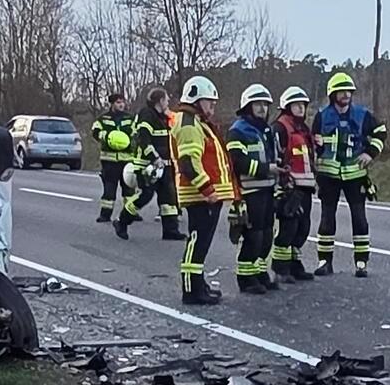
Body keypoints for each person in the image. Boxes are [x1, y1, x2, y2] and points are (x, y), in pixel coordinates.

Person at [313, 71, 385, 277]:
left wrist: (370, 153)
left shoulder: (363, 115)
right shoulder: (321, 115)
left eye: (348, 91)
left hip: (355, 175)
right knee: (327, 218)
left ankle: (361, 263)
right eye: (341, 91)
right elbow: (312, 141)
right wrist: (316, 150)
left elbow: (381, 132)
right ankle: (324, 262)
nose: (345, 94)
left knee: (359, 218)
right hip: (328, 176)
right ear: (332, 94)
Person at [170, 76, 235, 306]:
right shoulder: (189, 124)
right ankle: (191, 290)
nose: (213, 107)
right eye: (210, 102)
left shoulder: (196, 122)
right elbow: (189, 162)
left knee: (203, 241)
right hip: (200, 194)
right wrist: (207, 189)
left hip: (204, 194)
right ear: (197, 100)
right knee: (198, 241)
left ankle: (198, 284)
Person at [226, 84, 280, 295]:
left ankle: (259, 272)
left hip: (267, 189)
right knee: (253, 235)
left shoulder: (266, 130)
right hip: (249, 191)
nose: (262, 108)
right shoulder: (238, 130)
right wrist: (267, 169)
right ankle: (245, 277)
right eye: (257, 104)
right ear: (247, 106)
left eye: (265, 104)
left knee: (267, 234)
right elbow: (237, 161)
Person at [115, 87, 183, 241]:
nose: (168, 102)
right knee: (145, 196)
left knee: (169, 198)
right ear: (159, 101)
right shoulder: (147, 114)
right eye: (166, 99)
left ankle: (171, 230)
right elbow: (144, 139)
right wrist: (155, 157)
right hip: (147, 165)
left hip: (164, 165)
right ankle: (122, 221)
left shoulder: (163, 117)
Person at [269, 86, 318, 284]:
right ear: (287, 107)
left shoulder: (303, 128)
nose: (300, 108)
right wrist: (283, 184)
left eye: (302, 105)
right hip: (290, 186)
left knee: (303, 227)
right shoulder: (280, 127)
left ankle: (294, 263)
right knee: (288, 227)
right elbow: (276, 156)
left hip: (305, 186)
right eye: (296, 105)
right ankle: (281, 268)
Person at [90, 91, 128, 222]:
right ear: (112, 104)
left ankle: (130, 213)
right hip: (109, 161)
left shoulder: (129, 118)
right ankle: (105, 215)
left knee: (129, 189)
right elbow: (95, 132)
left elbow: (136, 133)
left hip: (127, 160)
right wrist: (106, 137)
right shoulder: (103, 119)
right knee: (109, 189)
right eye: (118, 102)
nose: (121, 105)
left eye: (122, 102)